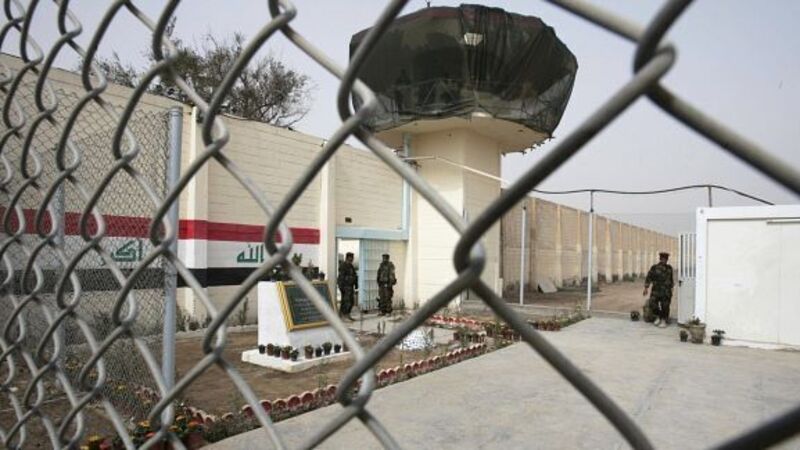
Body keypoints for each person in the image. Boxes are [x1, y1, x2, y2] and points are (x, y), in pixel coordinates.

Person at [643, 252, 674, 328]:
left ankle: (664, 319)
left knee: (665, 306)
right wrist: (646, 288)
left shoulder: (669, 268)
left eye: (666, 259)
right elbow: (649, 277)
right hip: (656, 290)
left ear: (667, 260)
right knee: (653, 303)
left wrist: (672, 288)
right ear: (660, 259)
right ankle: (659, 317)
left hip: (666, 291)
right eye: (663, 259)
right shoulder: (654, 268)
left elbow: (671, 279)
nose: (664, 260)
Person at [337, 252, 357, 321]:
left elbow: (354, 275)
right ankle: (344, 315)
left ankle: (346, 314)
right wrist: (341, 287)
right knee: (346, 301)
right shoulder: (343, 265)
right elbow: (341, 277)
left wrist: (356, 284)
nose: (353, 259)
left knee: (351, 301)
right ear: (348, 257)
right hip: (345, 286)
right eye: (352, 257)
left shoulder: (351, 266)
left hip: (350, 286)